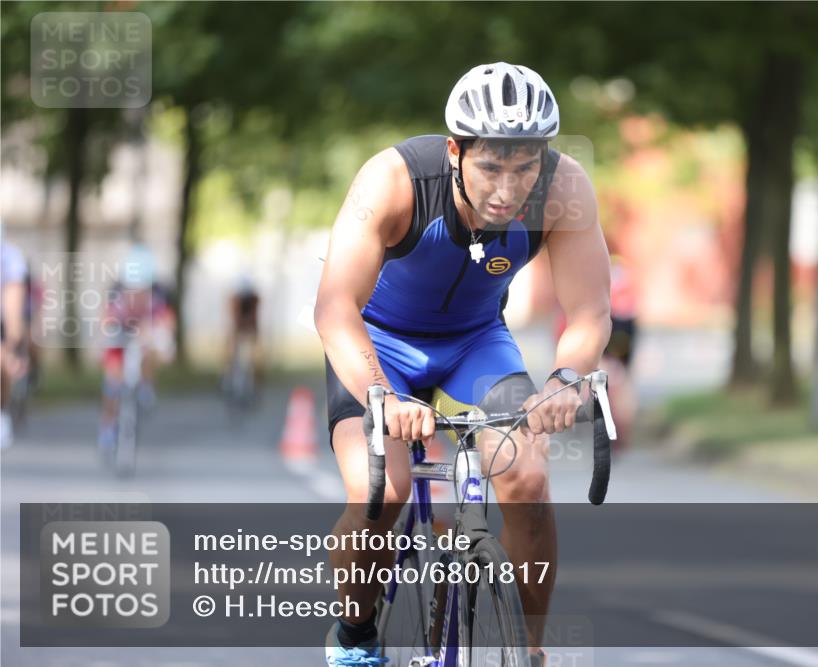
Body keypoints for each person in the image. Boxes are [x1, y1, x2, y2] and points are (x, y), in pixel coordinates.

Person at [314, 62, 611, 666]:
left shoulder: (565, 189)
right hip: (378, 344)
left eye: (525, 165)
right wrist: (384, 395)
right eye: (491, 166)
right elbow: (334, 307)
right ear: (454, 151)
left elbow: (589, 312)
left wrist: (563, 379)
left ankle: (528, 648)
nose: (508, 188)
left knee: (526, 480)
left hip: (475, 342)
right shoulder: (394, 182)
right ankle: (356, 635)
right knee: (383, 488)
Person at [98, 244, 174, 452]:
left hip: (145, 333)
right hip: (120, 331)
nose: (137, 293)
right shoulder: (116, 292)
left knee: (148, 351)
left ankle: (146, 386)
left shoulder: (159, 293)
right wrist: (105, 340)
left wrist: (165, 344)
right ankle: (108, 425)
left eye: (142, 288)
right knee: (112, 380)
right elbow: (105, 321)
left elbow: (166, 322)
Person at [1, 227, 30, 447]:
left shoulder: (10, 258)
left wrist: (13, 348)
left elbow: (13, 309)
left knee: (3, 360)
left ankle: (2, 411)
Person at [224, 273, 262, 393]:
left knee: (255, 358)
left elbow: (254, 318)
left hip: (249, 330)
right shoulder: (235, 299)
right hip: (239, 330)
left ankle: (255, 382)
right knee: (231, 356)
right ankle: (228, 378)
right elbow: (235, 318)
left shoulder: (254, 299)